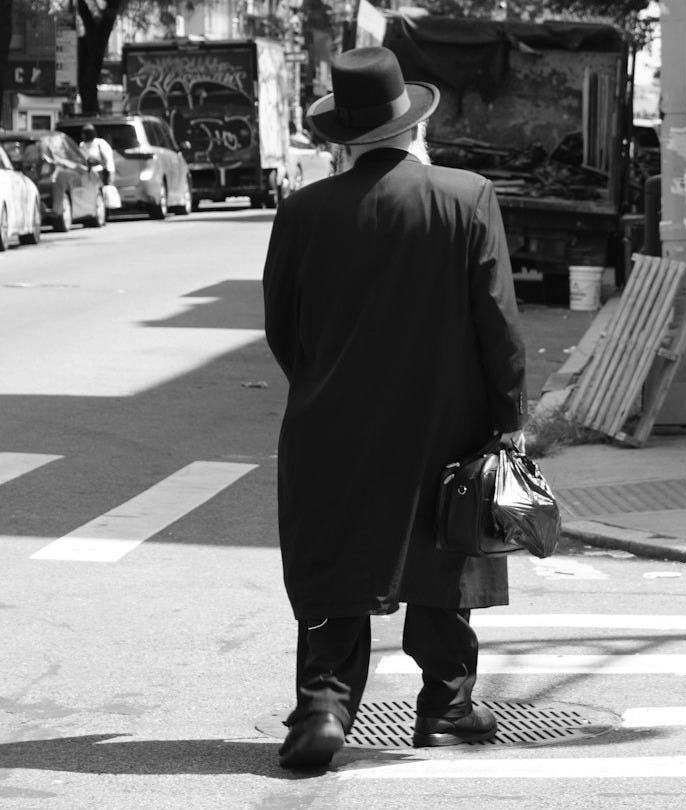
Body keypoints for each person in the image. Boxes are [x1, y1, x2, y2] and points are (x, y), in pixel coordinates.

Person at [262, 46, 527, 770]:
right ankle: (446, 706)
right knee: (445, 551)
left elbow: (283, 327)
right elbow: (497, 323)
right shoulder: (466, 195)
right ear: (414, 129)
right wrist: (510, 416)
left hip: (331, 420)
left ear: (344, 139)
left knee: (336, 553)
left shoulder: (303, 211)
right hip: (448, 416)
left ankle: (322, 704)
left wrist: (324, 383)